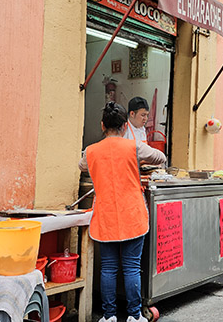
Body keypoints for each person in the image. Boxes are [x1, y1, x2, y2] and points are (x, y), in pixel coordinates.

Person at [79, 102, 166, 322]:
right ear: (125, 125)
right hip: (133, 214)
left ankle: (108, 316)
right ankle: (134, 316)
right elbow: (160, 158)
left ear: (102, 125)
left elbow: (82, 166)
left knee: (108, 268)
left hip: (105, 215)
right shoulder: (134, 146)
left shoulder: (91, 151)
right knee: (131, 267)